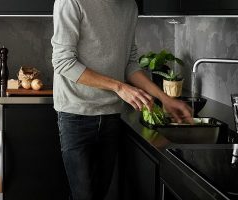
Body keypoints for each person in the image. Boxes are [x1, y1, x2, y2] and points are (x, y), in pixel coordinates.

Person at [51, 0, 192, 199]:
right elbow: (63, 62)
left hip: (111, 116)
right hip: (76, 114)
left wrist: (164, 98)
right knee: (84, 195)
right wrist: (119, 87)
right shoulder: (71, 2)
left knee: (99, 193)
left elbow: (130, 64)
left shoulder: (129, 6)